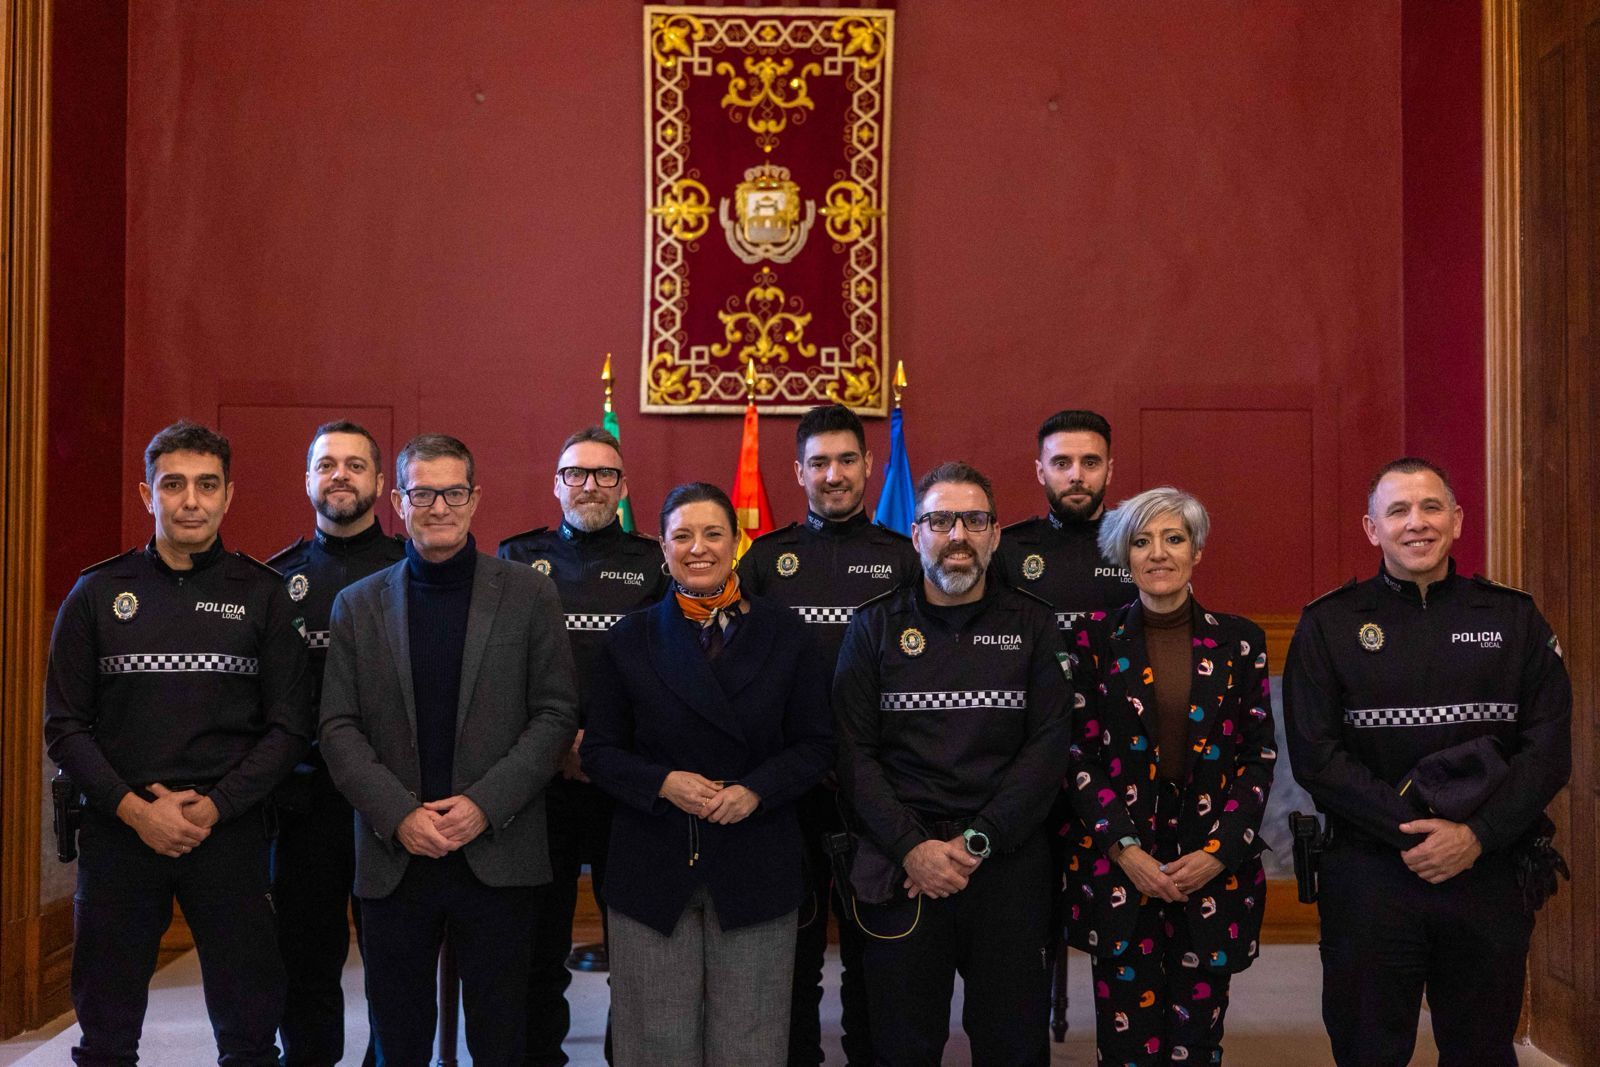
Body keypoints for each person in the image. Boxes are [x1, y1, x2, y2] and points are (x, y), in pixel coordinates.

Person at [1283, 457, 1571, 1067]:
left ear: (1458, 520)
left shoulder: (1513, 619)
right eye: (1398, 511)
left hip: (1488, 871)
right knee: (1368, 1049)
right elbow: (1316, 757)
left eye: (1431, 507)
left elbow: (1548, 751)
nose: (1417, 523)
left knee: (1480, 1049)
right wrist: (1415, 834)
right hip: (1370, 873)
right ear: (1371, 528)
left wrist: (1475, 836)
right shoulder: (1328, 625)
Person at [44, 419, 313, 1066]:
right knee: (106, 1034)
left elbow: (289, 727)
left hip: (231, 833)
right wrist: (138, 811)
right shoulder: (96, 594)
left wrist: (214, 807)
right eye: (174, 484)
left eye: (206, 484)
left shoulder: (265, 596)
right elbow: (64, 726)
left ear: (228, 496)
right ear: (147, 494)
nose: (190, 499)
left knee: (250, 1030)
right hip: (119, 834)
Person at [319, 433, 579, 1066]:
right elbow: (338, 727)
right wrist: (400, 815)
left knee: (501, 1039)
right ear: (399, 501)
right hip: (395, 856)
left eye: (453, 492)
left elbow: (554, 715)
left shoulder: (529, 594)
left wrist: (483, 806)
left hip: (497, 851)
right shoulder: (358, 604)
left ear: (474, 499)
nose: (438, 506)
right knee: (398, 1041)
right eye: (422, 492)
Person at [581, 482, 833, 1067]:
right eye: (682, 536)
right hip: (653, 864)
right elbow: (599, 751)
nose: (699, 548)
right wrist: (662, 782)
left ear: (737, 542)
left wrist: (757, 790)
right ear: (662, 549)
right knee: (656, 1042)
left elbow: (817, 744)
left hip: (756, 861)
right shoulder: (631, 637)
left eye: (713, 533)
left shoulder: (786, 635)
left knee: (750, 1041)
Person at [833, 461, 1071, 1067]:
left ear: (995, 534)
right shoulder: (873, 627)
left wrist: (977, 842)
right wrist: (914, 848)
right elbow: (853, 754)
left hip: (1006, 864)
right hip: (901, 865)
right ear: (916, 535)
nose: (958, 535)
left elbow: (1047, 751)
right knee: (900, 1045)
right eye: (941, 520)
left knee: (1013, 1043)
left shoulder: (1036, 625)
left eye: (973, 520)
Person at [1061, 486, 1277, 1065]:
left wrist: (1218, 852)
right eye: (1142, 541)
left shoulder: (1241, 641)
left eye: (1173, 538)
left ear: (1196, 551)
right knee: (1126, 1047)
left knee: (1197, 1046)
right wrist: (1126, 851)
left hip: (1211, 871)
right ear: (1124, 556)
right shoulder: (1091, 640)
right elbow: (1076, 757)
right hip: (1122, 873)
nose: (1158, 553)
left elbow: (1259, 757)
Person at [737, 403, 917, 1067]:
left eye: (847, 460)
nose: (834, 474)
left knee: (876, 952)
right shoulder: (765, 560)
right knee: (794, 956)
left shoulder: (904, 560)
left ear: (870, 466)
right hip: (792, 795)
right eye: (819, 462)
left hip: (881, 791)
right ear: (798, 471)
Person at [498, 426, 669, 1066]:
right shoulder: (516, 558)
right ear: (557, 484)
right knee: (540, 943)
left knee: (635, 944)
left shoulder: (656, 562)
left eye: (604, 475)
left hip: (623, 781)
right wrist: (556, 742)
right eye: (577, 473)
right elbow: (497, 669)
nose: (590, 485)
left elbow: (667, 671)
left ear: (623, 487)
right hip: (536, 782)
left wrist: (598, 743)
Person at [266, 420, 406, 1067]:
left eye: (355, 464)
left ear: (380, 482)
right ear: (308, 480)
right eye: (326, 464)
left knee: (393, 965)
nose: (340, 475)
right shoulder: (274, 583)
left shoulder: (414, 572)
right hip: (302, 806)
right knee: (305, 964)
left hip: (389, 804)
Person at [995, 409, 1134, 632]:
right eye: (1061, 463)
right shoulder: (1006, 551)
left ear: (1108, 471)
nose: (1076, 476)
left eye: (1090, 463)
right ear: (1041, 472)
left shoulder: (1138, 545)